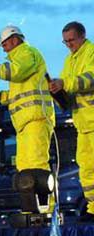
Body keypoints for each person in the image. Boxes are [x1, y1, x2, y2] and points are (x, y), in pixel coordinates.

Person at [0, 26, 55, 214]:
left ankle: (45, 211)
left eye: (5, 43)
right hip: (25, 123)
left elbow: (16, 72)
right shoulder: (21, 58)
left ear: (15, 39)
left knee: (37, 166)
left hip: (36, 119)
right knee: (25, 170)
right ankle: (32, 210)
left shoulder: (26, 53)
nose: (3, 48)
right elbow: (19, 92)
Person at [49, 21, 94, 222]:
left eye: (72, 40)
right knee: (87, 168)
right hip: (83, 125)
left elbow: (90, 78)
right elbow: (67, 87)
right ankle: (93, 207)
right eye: (65, 41)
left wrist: (64, 83)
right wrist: (57, 91)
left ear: (82, 36)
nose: (69, 44)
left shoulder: (91, 52)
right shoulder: (70, 60)